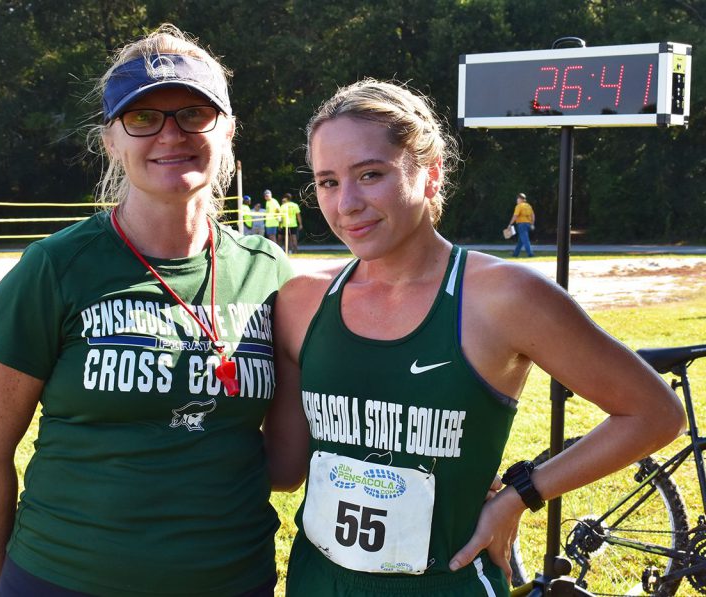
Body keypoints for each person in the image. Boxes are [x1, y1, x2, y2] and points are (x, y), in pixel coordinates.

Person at [270, 79, 684, 596]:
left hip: (451, 581)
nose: (347, 203)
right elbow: (285, 468)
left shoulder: (504, 296)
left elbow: (655, 414)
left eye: (371, 174)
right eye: (327, 182)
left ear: (431, 174)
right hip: (318, 582)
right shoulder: (301, 302)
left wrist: (520, 494)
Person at [0, 24, 295, 597]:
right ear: (111, 140)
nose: (171, 134)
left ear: (229, 130)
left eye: (194, 113)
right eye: (143, 118)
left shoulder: (270, 273)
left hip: (231, 580)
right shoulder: (54, 269)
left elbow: (291, 463)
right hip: (62, 579)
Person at [508, 192, 535, 257]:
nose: (517, 200)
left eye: (517, 199)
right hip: (528, 224)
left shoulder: (519, 206)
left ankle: (530, 254)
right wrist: (532, 224)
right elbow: (533, 215)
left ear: (520, 199)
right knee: (520, 241)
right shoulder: (528, 206)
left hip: (522, 225)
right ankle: (515, 254)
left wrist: (510, 224)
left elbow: (515, 216)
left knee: (525, 240)